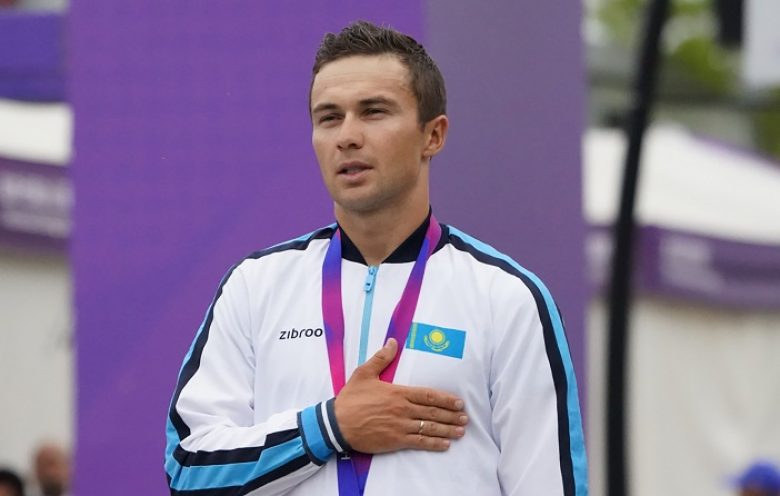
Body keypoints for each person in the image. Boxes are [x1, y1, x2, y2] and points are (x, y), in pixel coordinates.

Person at [165, 20, 588, 495]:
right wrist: (329, 428)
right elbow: (188, 468)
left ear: (433, 135)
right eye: (329, 118)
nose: (347, 136)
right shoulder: (255, 286)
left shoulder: (506, 297)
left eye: (373, 112)